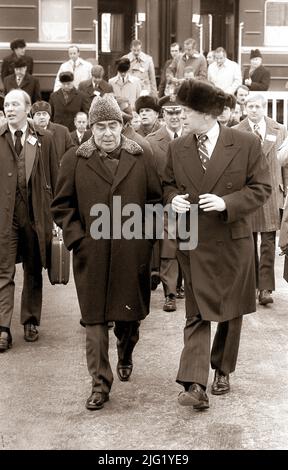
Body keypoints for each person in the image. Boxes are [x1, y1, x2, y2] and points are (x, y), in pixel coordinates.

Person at [162, 80, 271, 410]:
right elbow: (167, 185)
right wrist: (174, 200)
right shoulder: (178, 147)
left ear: (206, 115)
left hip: (232, 240)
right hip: (193, 242)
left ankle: (222, 370)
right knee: (195, 313)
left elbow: (261, 188)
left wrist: (227, 203)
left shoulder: (246, 143)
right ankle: (194, 383)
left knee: (230, 311)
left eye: (187, 112)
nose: (181, 117)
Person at [51, 95, 162, 410]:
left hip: (132, 252)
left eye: (113, 125)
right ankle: (100, 384)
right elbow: (62, 206)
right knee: (94, 321)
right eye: (100, 127)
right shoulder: (75, 158)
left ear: (122, 126)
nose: (107, 133)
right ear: (91, 128)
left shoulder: (142, 156)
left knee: (129, 320)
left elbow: (155, 202)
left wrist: (146, 242)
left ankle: (126, 352)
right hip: (92, 254)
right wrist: (78, 240)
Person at [0, 89, 58, 352]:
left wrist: (56, 216)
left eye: (15, 104)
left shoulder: (44, 138)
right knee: (4, 270)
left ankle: (30, 320)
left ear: (27, 109)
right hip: (5, 215)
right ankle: (2, 328)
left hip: (36, 213)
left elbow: (56, 179)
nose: (9, 109)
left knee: (34, 268)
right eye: (6, 105)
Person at [234, 93, 287, 305]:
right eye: (250, 106)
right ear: (245, 107)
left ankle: (265, 288)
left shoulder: (279, 129)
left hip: (273, 191)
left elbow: (284, 164)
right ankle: (252, 284)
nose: (253, 110)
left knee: (268, 240)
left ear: (264, 107)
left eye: (257, 106)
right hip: (249, 191)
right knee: (248, 240)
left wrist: (285, 189)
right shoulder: (237, 131)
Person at [147, 95, 185, 312]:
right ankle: (170, 292)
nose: (174, 117)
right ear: (163, 115)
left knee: (188, 246)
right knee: (169, 248)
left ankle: (182, 286)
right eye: (170, 113)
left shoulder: (193, 136)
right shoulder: (153, 142)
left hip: (190, 202)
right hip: (164, 203)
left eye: (178, 112)